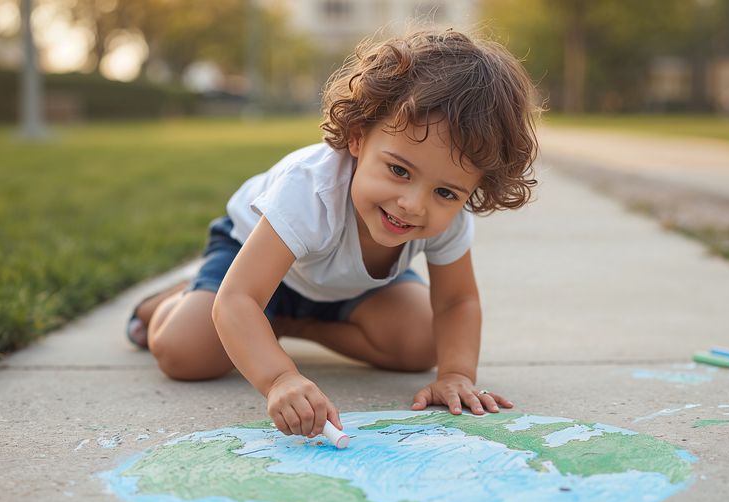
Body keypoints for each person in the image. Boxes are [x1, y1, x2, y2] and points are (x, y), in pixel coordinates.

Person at [126, 29, 540, 439]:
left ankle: (286, 324)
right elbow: (239, 299)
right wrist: (280, 378)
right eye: (399, 170)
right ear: (358, 138)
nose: (413, 204)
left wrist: (455, 373)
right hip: (259, 270)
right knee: (186, 353)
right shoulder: (309, 190)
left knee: (421, 343)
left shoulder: (446, 216)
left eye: (446, 192)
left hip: (346, 285)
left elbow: (457, 301)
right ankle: (168, 301)